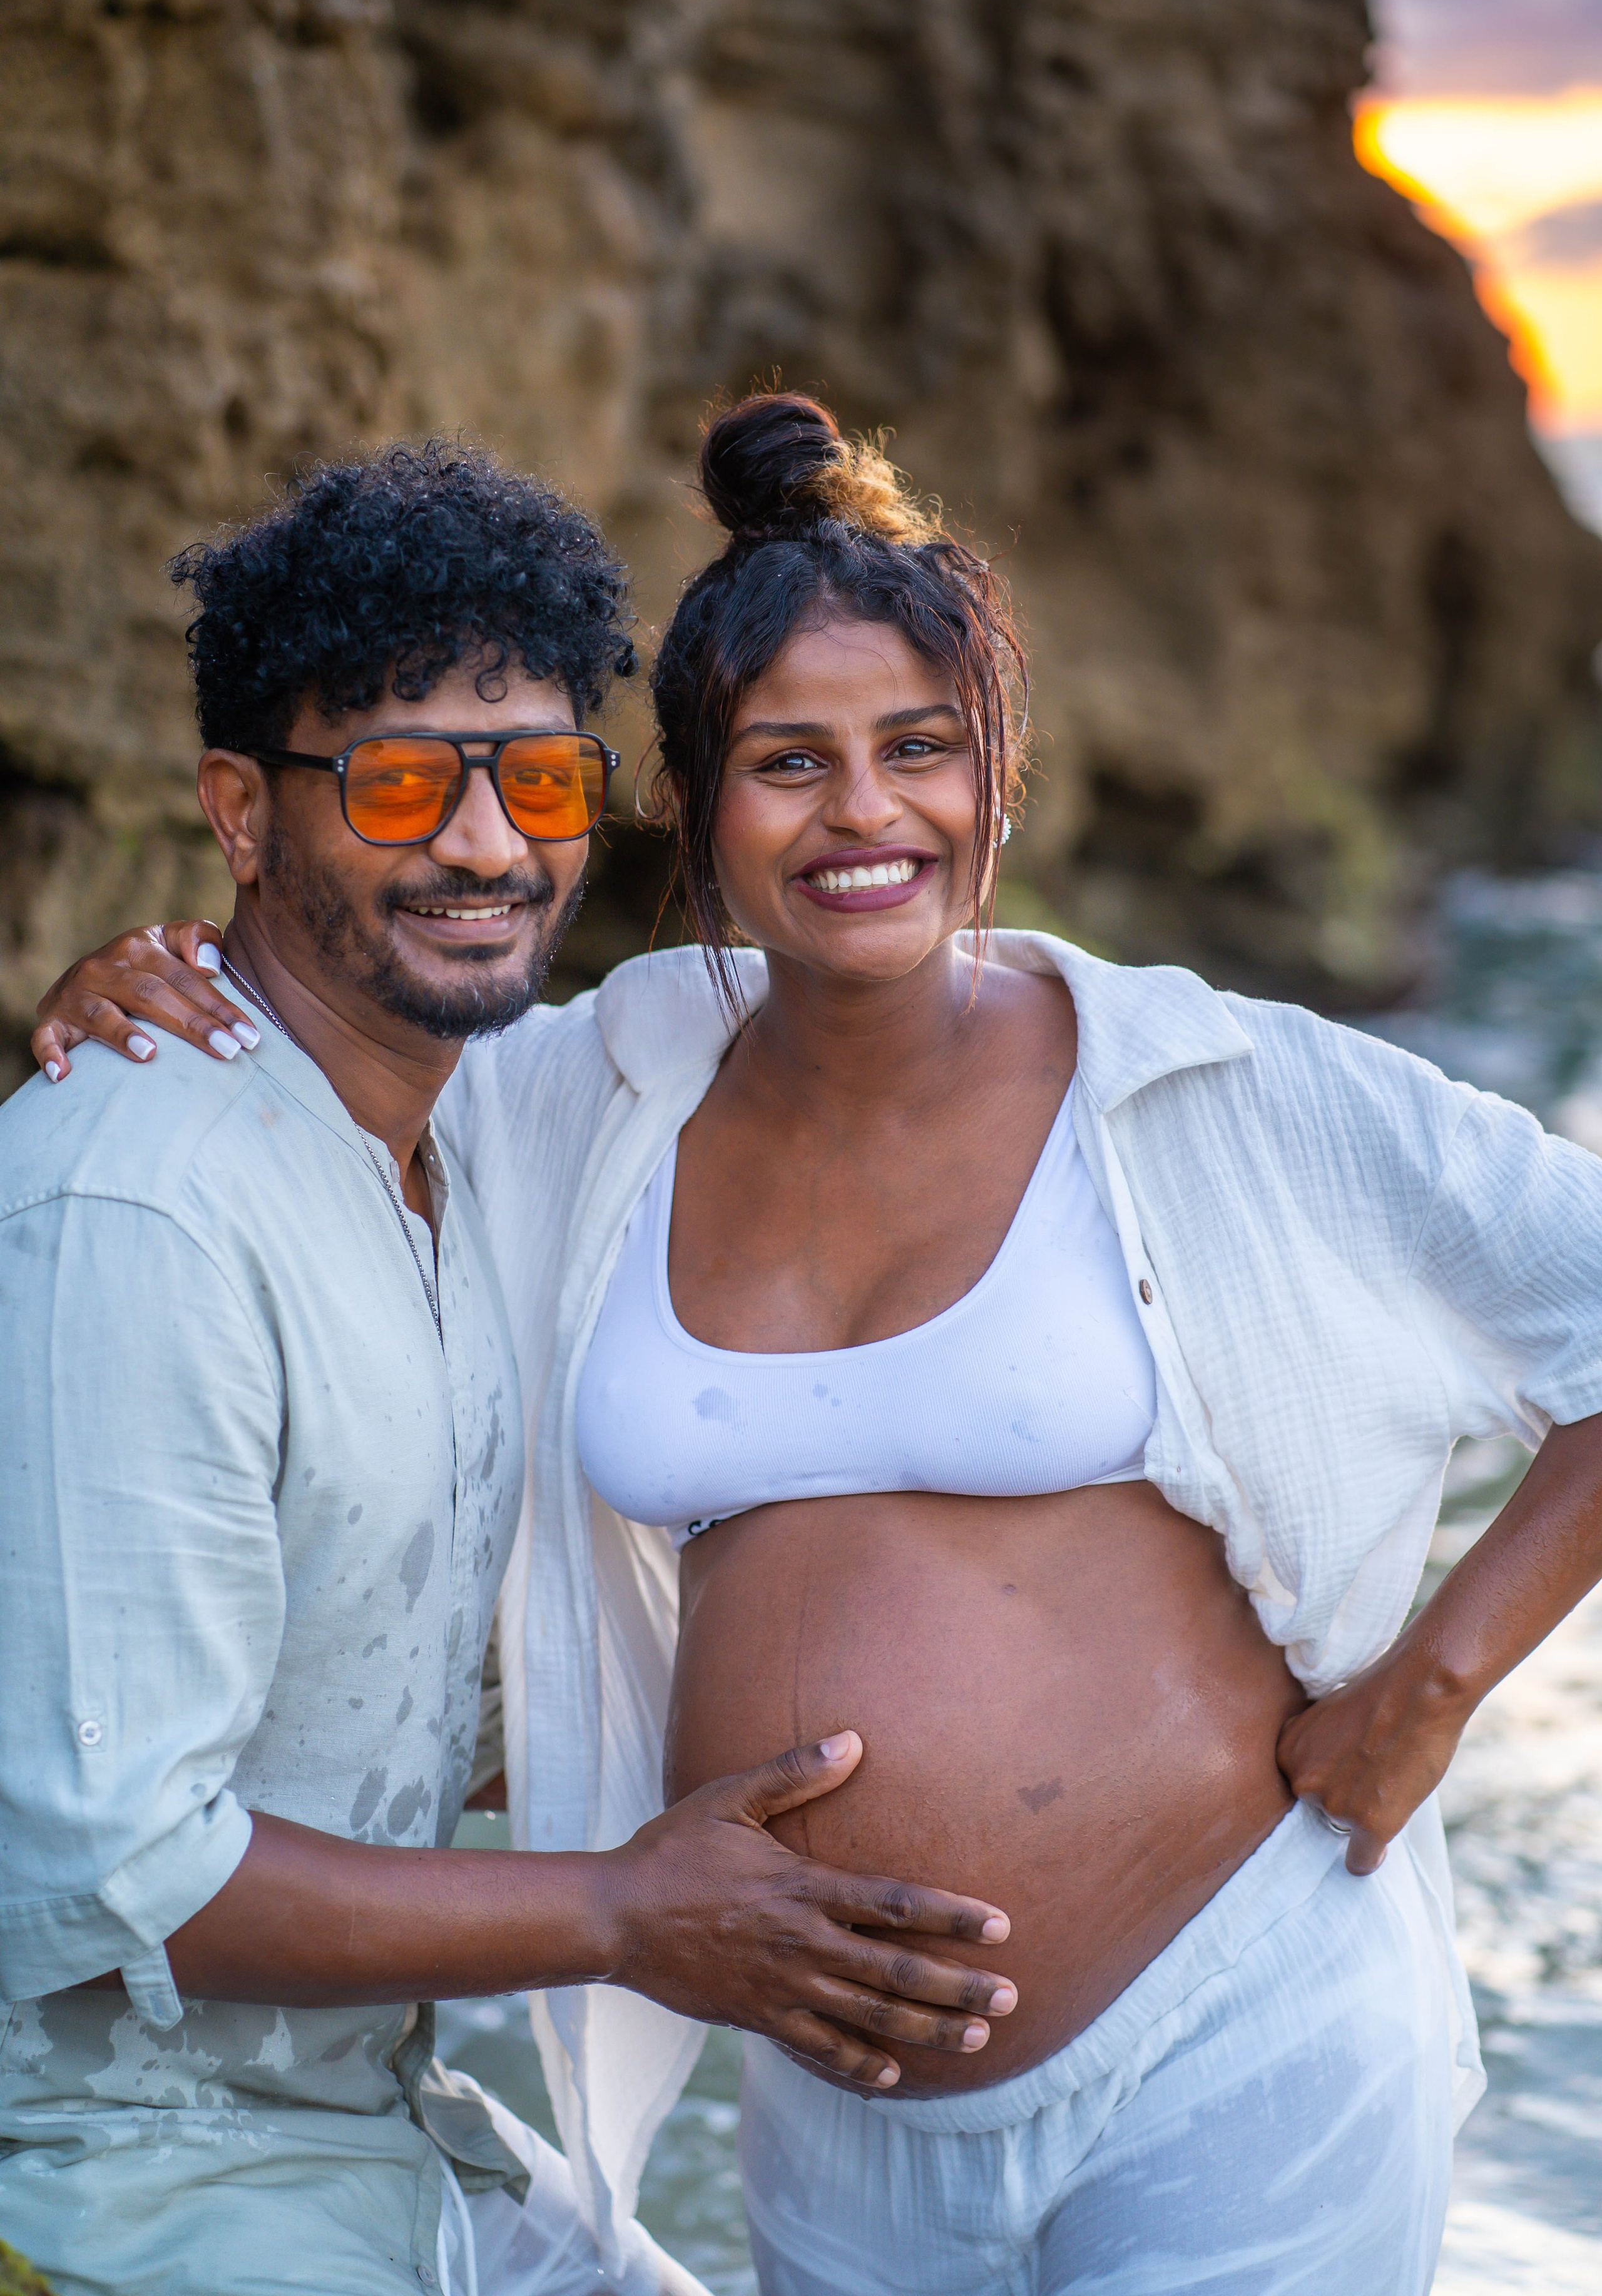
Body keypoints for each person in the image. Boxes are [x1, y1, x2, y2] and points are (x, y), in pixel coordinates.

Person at [36, 394, 1602, 2295]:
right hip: (829, 2095)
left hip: (1232, 2036)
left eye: (920, 749)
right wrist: (157, 976)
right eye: (791, 760)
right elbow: (318, 1065)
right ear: (693, 808)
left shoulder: (1214, 1085)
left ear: (998, 777)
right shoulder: (569, 1098)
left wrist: (1434, 1691)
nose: (866, 811)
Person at [0, 438, 1021, 2296]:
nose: (486, 846)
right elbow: (121, 1868)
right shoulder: (137, 1217)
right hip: (119, 2183)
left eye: (538, 777)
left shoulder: (486, 1141)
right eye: (395, 783)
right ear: (244, 816)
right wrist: (627, 1915)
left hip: (382, 2129)